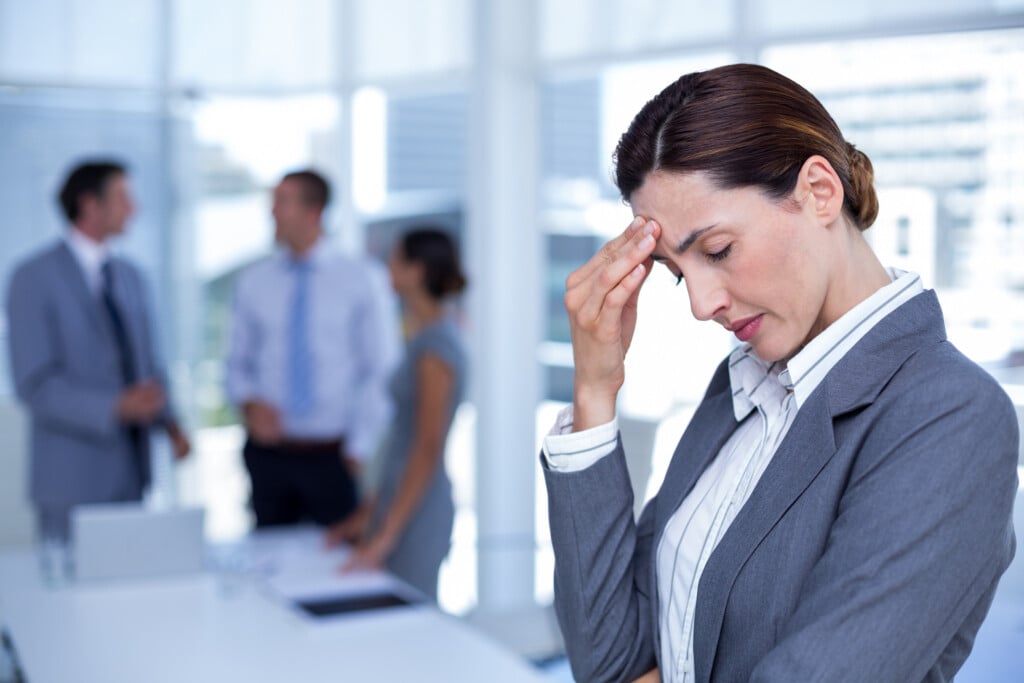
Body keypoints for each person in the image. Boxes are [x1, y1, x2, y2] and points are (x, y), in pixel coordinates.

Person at [542, 64, 1019, 683]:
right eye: (678, 272)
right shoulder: (744, 384)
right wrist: (594, 391)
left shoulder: (950, 416)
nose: (700, 304)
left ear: (819, 191)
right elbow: (608, 661)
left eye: (717, 251)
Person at [6, 159, 191, 542]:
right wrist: (116, 407)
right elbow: (35, 384)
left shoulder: (132, 277)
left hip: (133, 474)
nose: (134, 208)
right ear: (90, 204)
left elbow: (148, 365)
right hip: (71, 478)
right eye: (123, 197)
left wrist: (170, 423)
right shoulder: (32, 278)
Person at [226, 169, 399, 529]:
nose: (271, 212)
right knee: (270, 565)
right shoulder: (253, 282)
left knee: (336, 572)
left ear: (313, 212)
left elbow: (381, 369)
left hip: (334, 458)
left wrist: (358, 449)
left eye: (281, 202)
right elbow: (236, 364)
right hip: (267, 458)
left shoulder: (362, 279)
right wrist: (249, 402)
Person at [326, 227, 467, 601]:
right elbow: (402, 440)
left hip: (417, 511)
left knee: (412, 624)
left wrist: (385, 537)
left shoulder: (436, 344)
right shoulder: (422, 337)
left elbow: (426, 447)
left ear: (416, 271)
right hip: (398, 501)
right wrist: (369, 515)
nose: (387, 267)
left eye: (395, 259)